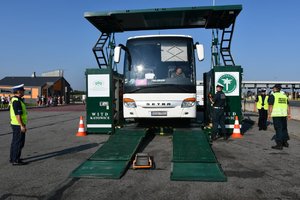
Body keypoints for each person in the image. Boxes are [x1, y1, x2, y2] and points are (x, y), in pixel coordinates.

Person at [268, 84, 291, 150]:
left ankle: (279, 144)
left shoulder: (273, 95)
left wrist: (269, 114)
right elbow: (288, 106)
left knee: (278, 129)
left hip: (276, 115)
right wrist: (289, 114)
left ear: (275, 89)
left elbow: (270, 106)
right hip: (284, 115)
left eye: (273, 88)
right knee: (284, 128)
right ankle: (285, 142)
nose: (272, 89)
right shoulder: (284, 96)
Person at [9, 84, 28, 165]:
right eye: (23, 90)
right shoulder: (17, 101)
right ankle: (16, 160)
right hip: (18, 124)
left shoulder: (15, 99)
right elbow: (18, 115)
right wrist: (22, 126)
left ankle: (13, 158)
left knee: (15, 142)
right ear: (18, 91)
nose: (24, 91)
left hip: (15, 123)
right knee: (19, 142)